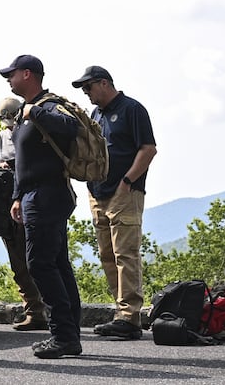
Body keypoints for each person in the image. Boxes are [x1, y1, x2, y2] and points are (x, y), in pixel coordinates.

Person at [1, 54, 84, 359]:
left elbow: (71, 127)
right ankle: (69, 334)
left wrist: (35, 112)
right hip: (34, 195)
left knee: (39, 264)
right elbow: (25, 161)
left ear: (28, 74)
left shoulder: (47, 105)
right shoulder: (26, 112)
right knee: (56, 263)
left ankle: (63, 335)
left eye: (11, 74)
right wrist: (17, 196)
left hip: (48, 196)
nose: (8, 80)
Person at [73, 65, 157, 339]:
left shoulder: (132, 109)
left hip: (124, 193)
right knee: (108, 255)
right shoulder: (96, 114)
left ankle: (130, 317)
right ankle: (120, 313)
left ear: (104, 83)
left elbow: (148, 149)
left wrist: (127, 182)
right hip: (98, 193)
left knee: (125, 254)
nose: (86, 93)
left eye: (88, 87)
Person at [0, 94, 46, 332]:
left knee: (38, 259)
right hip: (7, 206)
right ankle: (34, 311)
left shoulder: (32, 132)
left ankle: (52, 310)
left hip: (32, 201)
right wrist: (0, 166)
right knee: (18, 263)